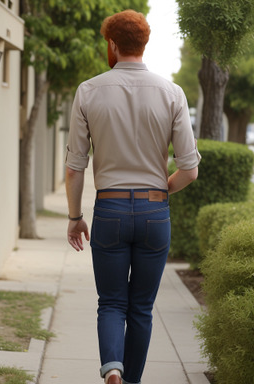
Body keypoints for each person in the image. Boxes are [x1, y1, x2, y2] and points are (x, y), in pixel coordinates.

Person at [65, 9, 201, 384]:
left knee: (110, 303)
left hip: (108, 209)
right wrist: (160, 191)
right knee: (141, 308)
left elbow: (75, 166)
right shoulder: (172, 93)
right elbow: (189, 169)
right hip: (155, 211)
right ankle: (132, 381)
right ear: (145, 43)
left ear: (112, 43)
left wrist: (75, 217)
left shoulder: (89, 91)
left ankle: (112, 368)